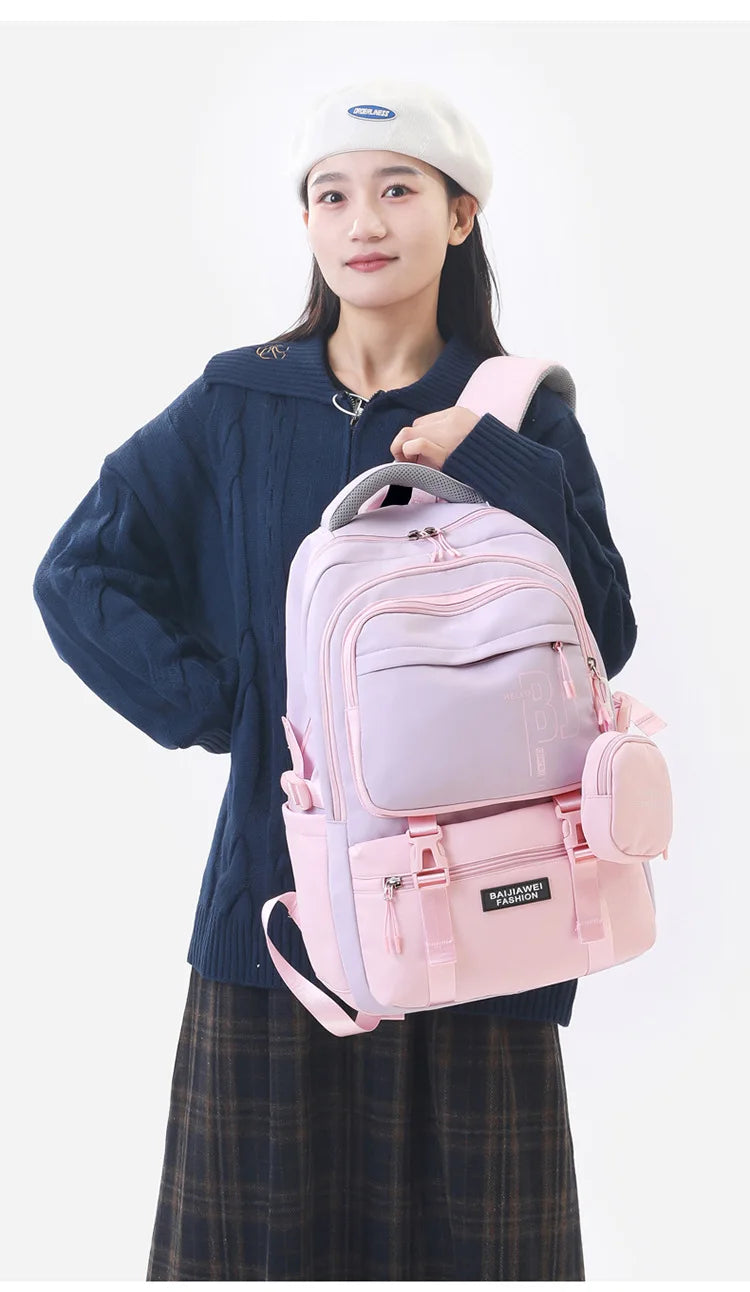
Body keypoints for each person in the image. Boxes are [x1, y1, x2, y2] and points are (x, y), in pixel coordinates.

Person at [32, 77, 637, 1280]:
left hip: (483, 927)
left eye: (398, 189)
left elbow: (604, 632)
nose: (363, 221)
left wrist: (493, 459)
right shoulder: (237, 402)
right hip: (280, 924)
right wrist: (224, 701)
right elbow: (79, 572)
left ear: (459, 214)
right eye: (332, 195)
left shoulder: (518, 414)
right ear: (306, 219)